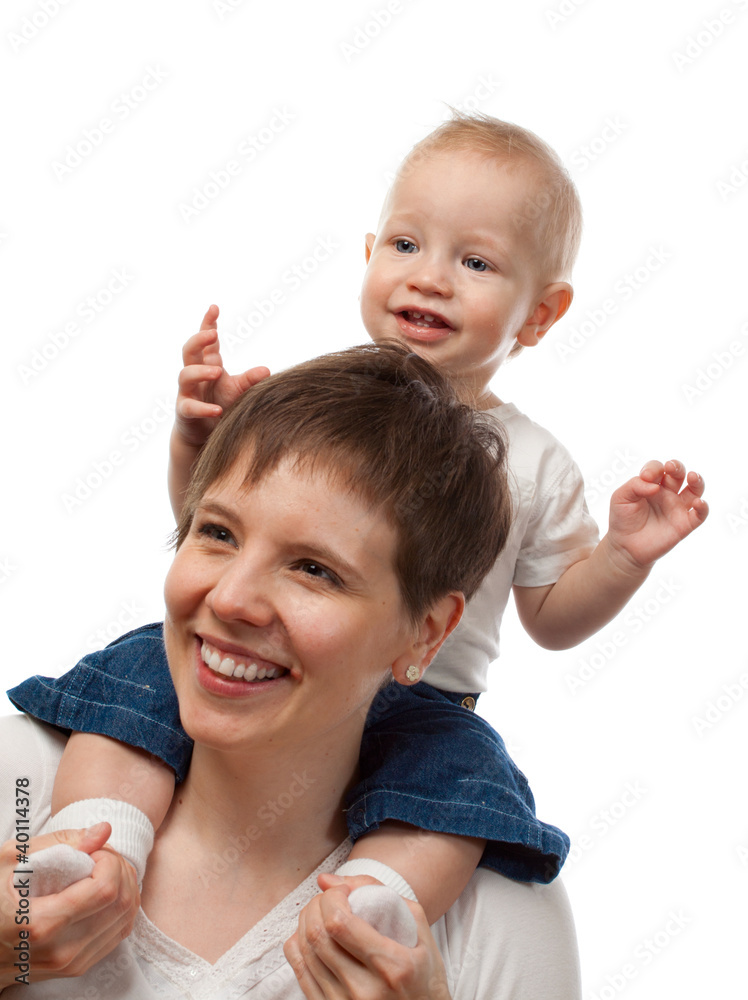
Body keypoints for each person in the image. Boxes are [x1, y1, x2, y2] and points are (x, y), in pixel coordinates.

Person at [8, 113, 708, 927]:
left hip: (427, 702)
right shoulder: (309, 406)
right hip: (267, 662)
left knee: (461, 795)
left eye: (476, 262)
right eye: (406, 245)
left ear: (541, 314)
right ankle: (92, 843)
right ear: (370, 253)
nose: (430, 278)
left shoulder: (534, 462)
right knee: (133, 692)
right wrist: (197, 442)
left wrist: (622, 556)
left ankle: (372, 908)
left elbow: (551, 620)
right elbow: (210, 528)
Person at [0, 343, 581, 998]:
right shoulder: (18, 781)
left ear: (427, 633)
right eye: (218, 533)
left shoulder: (497, 917)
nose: (230, 599)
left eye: (314, 570)